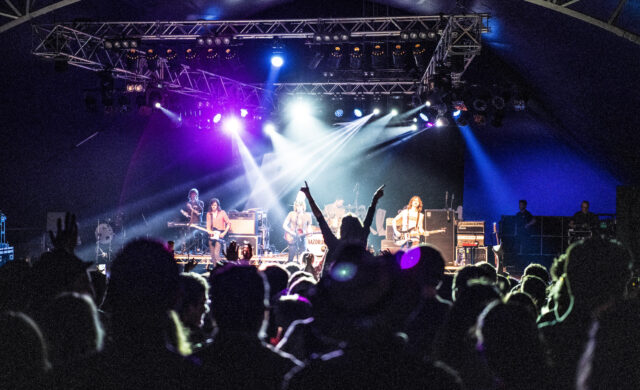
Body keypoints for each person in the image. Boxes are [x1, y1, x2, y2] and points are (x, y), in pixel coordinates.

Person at [300, 182, 384, 268]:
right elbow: (369, 219)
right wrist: (375, 199)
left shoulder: (335, 244)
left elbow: (320, 218)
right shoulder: (362, 240)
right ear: (358, 226)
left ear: (342, 228)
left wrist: (308, 196)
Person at [282, 198, 312, 263]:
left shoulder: (308, 215)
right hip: (292, 237)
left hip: (302, 237)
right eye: (297, 206)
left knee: (304, 257)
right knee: (290, 258)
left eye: (300, 205)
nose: (298, 207)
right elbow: (284, 225)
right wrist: (291, 232)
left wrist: (309, 232)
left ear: (303, 206)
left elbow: (309, 227)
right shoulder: (291, 214)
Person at [206, 198, 230, 265]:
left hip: (219, 235)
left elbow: (229, 223)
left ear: (218, 206)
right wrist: (209, 231)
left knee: (216, 254)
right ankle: (215, 270)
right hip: (211, 236)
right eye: (212, 205)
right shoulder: (209, 214)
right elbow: (208, 226)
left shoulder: (222, 212)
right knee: (212, 256)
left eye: (215, 205)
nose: (213, 207)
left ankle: (223, 269)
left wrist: (224, 233)